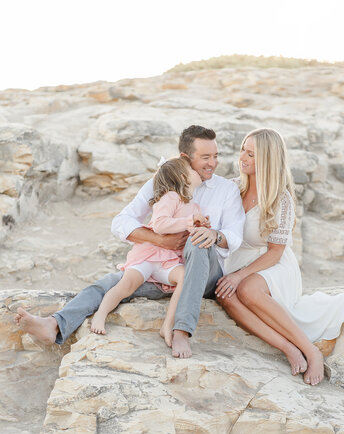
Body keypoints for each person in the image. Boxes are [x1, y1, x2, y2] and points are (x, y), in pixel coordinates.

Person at [15, 125, 245, 358]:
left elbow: (235, 236)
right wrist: (159, 240)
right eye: (205, 157)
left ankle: (181, 330)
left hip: (203, 273)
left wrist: (214, 235)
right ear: (185, 157)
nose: (213, 163)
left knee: (198, 240)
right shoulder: (165, 180)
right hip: (164, 269)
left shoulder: (227, 190)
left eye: (215, 156)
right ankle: (55, 324)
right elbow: (121, 222)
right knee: (111, 284)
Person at [215, 128, 344, 386]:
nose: (243, 157)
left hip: (272, 265)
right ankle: (288, 347)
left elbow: (276, 252)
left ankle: (310, 350)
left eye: (251, 154)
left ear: (267, 159)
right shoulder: (231, 188)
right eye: (243, 150)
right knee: (225, 295)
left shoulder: (280, 199)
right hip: (238, 259)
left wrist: (239, 275)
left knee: (248, 289)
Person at [90, 157, 209, 347]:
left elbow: (185, 232)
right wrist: (189, 221)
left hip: (168, 260)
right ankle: (101, 314)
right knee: (127, 284)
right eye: (192, 170)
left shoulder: (193, 206)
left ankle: (168, 324)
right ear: (183, 177)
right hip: (149, 254)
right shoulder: (170, 197)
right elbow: (161, 225)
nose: (197, 172)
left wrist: (199, 225)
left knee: (185, 278)